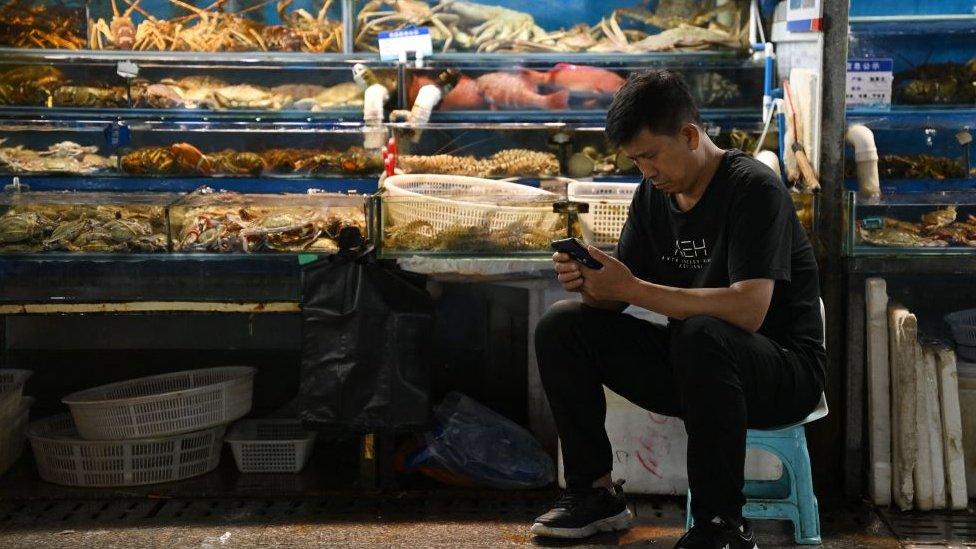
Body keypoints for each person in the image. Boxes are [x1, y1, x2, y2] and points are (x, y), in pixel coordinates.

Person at [529, 70, 825, 548]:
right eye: (636, 160)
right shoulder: (655, 194)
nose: (646, 170)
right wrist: (591, 282)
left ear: (689, 135)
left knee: (701, 333)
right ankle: (594, 494)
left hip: (782, 374)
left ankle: (719, 524)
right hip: (698, 370)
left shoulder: (753, 188)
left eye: (651, 155)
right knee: (562, 325)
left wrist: (634, 288)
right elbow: (620, 297)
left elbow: (749, 310)